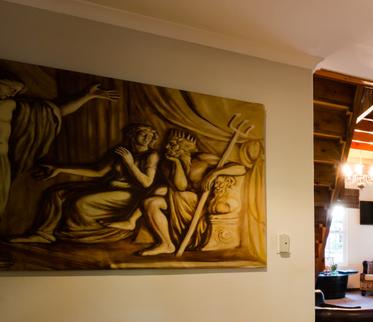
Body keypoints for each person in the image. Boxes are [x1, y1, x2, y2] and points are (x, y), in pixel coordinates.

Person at [0, 71, 119, 223]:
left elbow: (55, 111)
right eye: (10, 88)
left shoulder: (11, 105)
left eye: (16, 91)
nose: (13, 93)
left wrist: (87, 96)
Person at [11, 123, 159, 243]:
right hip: (109, 187)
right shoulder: (121, 151)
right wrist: (60, 169)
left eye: (150, 135)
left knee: (81, 203)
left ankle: (80, 233)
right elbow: (98, 172)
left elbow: (146, 183)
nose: (147, 138)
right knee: (57, 193)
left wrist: (130, 164)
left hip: (130, 194)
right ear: (132, 134)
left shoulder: (151, 156)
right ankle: (43, 234)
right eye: (143, 134)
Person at [141, 128, 245, 256]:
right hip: (179, 203)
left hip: (200, 207)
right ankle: (166, 244)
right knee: (150, 203)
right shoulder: (168, 165)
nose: (167, 147)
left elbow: (241, 168)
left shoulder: (202, 159)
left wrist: (215, 172)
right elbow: (181, 186)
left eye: (172, 144)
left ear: (184, 147)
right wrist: (177, 163)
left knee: (178, 194)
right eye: (167, 144)